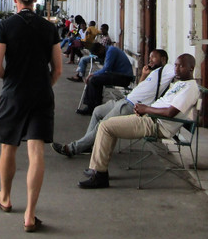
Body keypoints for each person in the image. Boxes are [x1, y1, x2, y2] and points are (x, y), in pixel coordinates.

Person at [0, 0, 62, 233]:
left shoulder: (5, 26)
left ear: (16, 0)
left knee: (9, 147)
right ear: (35, 0)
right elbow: (58, 69)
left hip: (14, 94)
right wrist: (43, 84)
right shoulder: (48, 28)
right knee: (36, 152)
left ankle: (5, 198)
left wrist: (12, 80)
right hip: (41, 93)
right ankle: (30, 215)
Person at [78, 53, 199, 189]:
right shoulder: (181, 84)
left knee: (106, 127)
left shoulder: (190, 88)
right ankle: (97, 170)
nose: (176, 69)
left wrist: (146, 109)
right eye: (176, 65)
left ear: (191, 68)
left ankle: (99, 174)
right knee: (107, 125)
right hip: (149, 118)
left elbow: (170, 112)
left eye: (181, 66)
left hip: (156, 124)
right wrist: (144, 109)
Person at [53, 49, 174, 157]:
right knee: (97, 111)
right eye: (149, 58)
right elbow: (139, 88)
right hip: (124, 100)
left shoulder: (166, 70)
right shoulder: (153, 73)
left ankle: (73, 148)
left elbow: (179, 68)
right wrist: (144, 74)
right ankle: (87, 145)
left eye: (153, 57)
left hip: (131, 106)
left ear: (163, 59)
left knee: (103, 124)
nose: (150, 60)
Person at [76, 41, 134, 115]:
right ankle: (95, 105)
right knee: (96, 80)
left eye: (98, 54)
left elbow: (106, 68)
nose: (98, 56)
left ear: (101, 49)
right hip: (118, 75)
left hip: (124, 77)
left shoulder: (111, 51)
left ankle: (91, 107)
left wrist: (92, 74)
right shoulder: (107, 51)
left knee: (94, 79)